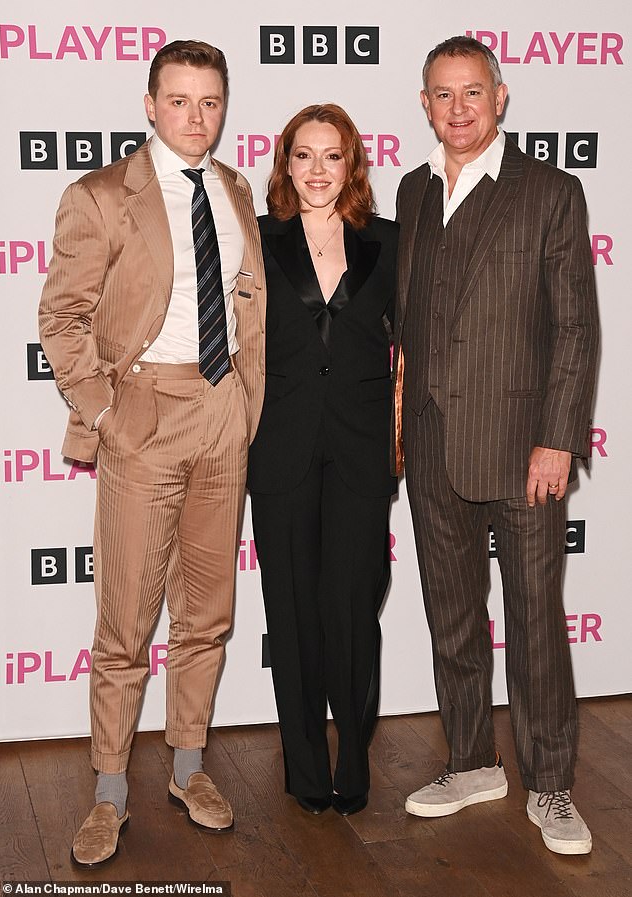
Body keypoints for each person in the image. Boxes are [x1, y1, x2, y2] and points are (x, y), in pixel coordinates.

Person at [38, 39, 265, 865]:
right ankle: (107, 789)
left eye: (210, 102)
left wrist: (245, 403)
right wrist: (107, 411)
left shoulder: (236, 189)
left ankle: (191, 766)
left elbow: (248, 304)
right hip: (143, 414)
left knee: (207, 614)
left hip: (221, 414)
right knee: (126, 623)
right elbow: (61, 318)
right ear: (148, 103)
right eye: (179, 101)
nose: (196, 117)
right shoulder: (100, 196)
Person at [392, 36, 599, 855]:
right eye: (442, 95)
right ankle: (472, 759)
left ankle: (550, 784)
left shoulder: (550, 191)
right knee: (452, 616)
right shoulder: (410, 191)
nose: (458, 109)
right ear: (424, 104)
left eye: (472, 92)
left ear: (502, 96)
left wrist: (557, 440)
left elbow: (575, 326)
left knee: (536, 621)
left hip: (522, 449)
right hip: (432, 443)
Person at [247, 104, 398, 816]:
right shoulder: (256, 238)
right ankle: (306, 765)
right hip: (279, 447)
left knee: (351, 607)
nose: (316, 169)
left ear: (352, 164)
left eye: (331, 156)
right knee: (294, 610)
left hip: (364, 453)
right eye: (302, 155)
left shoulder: (387, 242)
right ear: (284, 164)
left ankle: (353, 759)